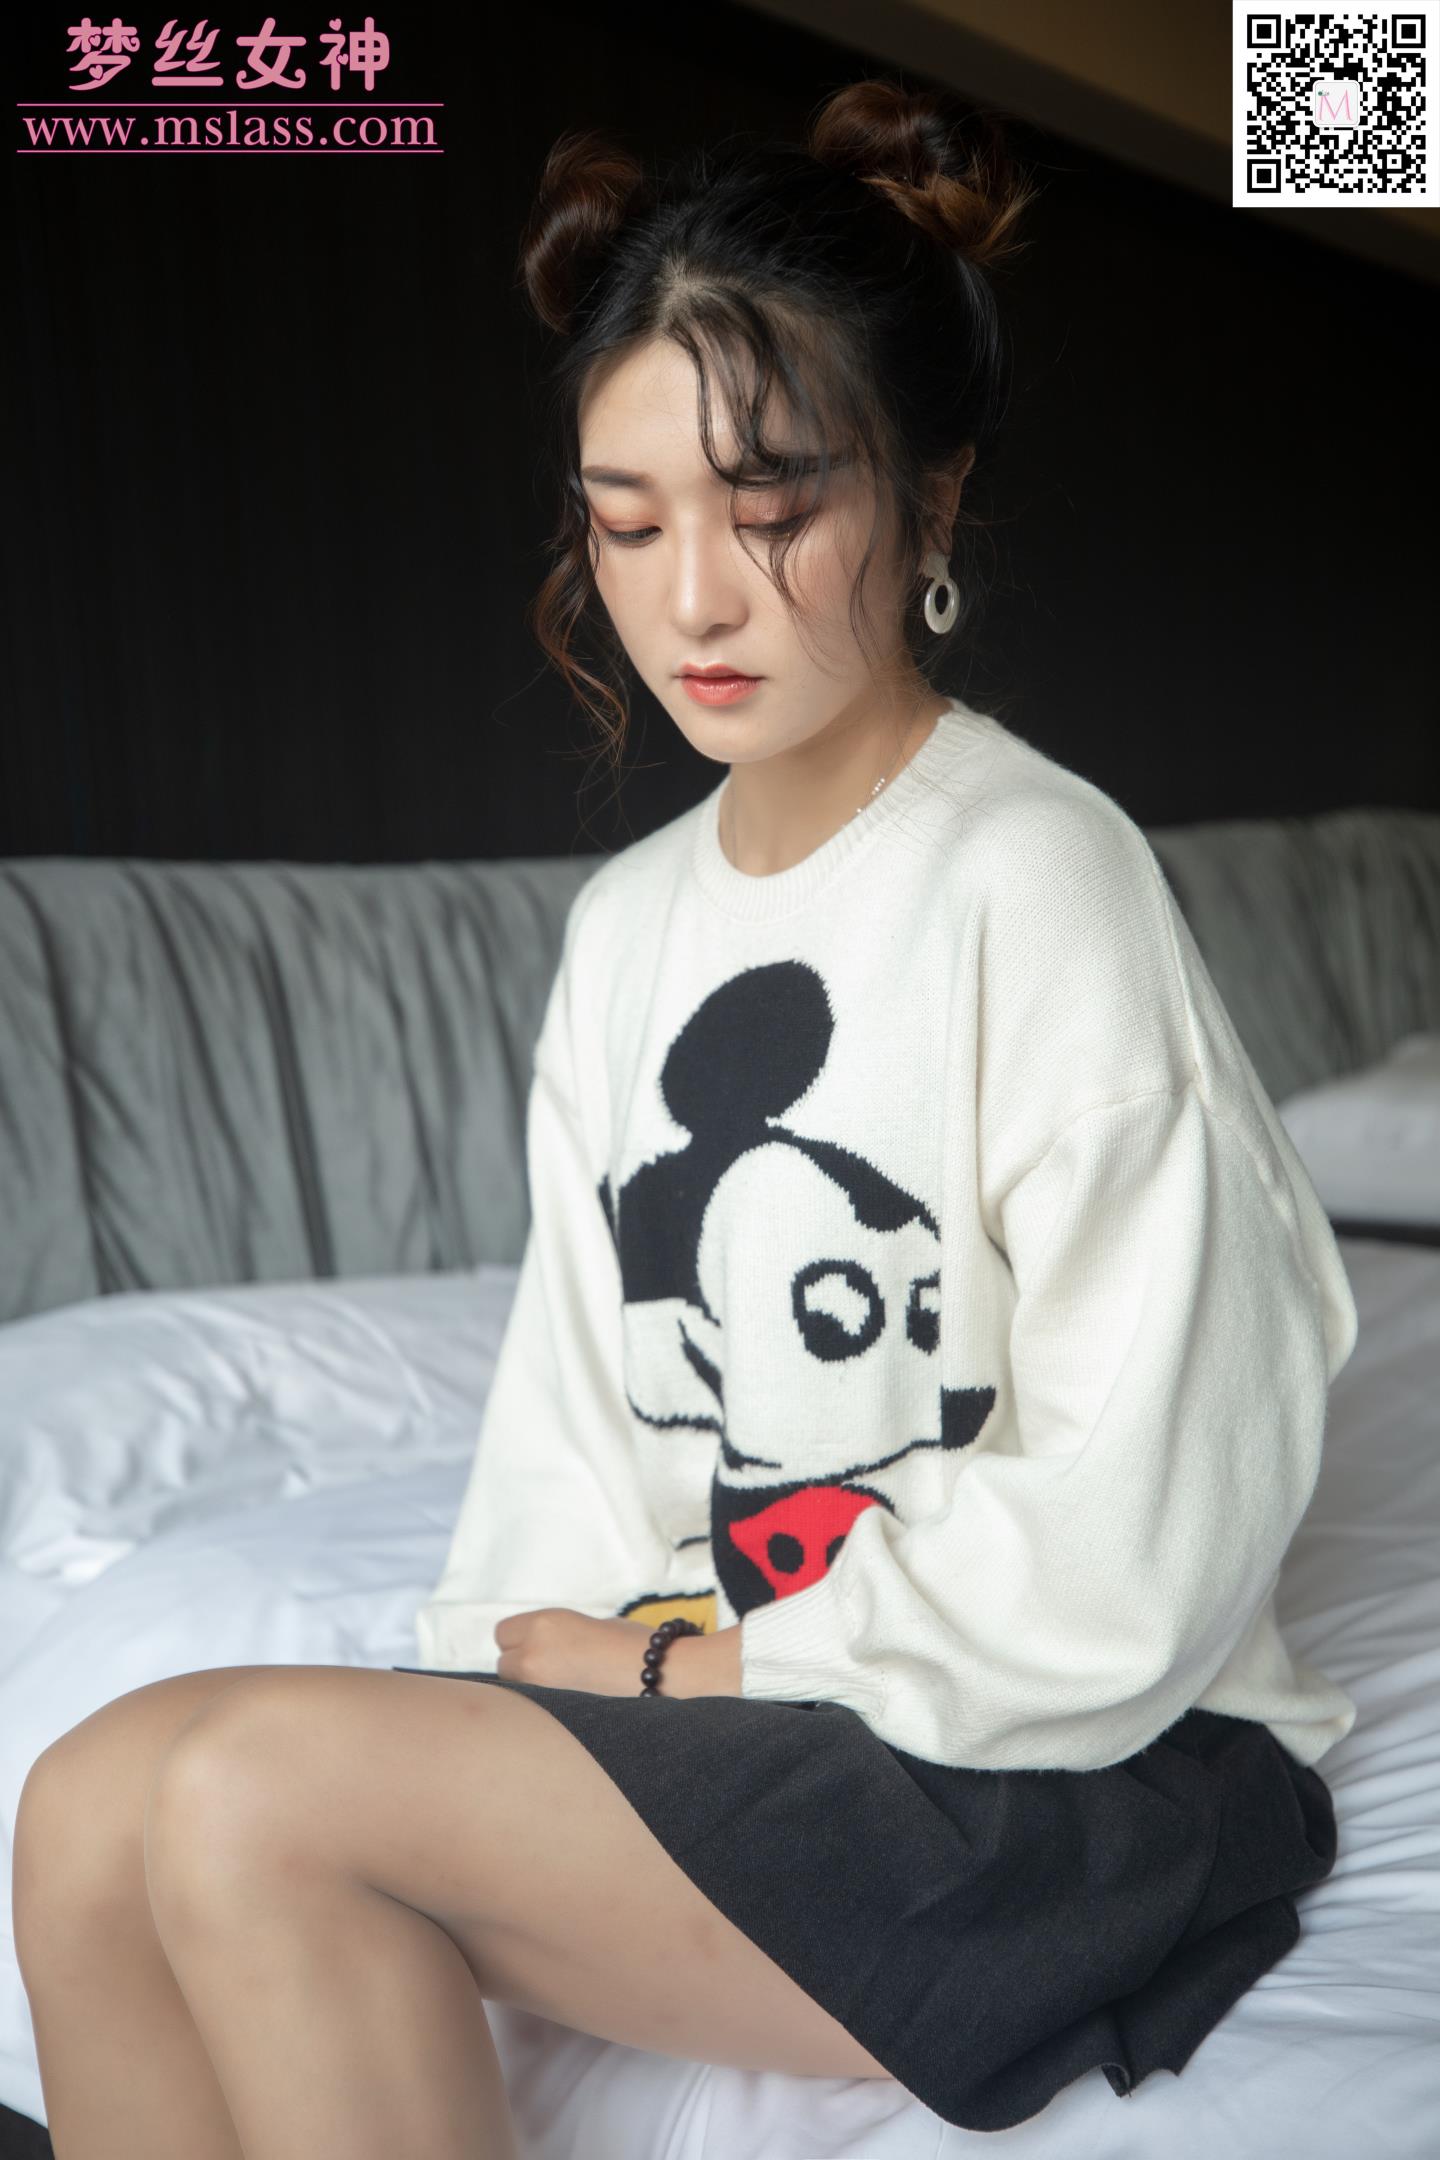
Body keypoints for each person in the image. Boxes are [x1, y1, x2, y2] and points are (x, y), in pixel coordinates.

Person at [12, 76, 1356, 2153]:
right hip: (744, 1696)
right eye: (628, 525)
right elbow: (576, 1423)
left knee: (248, 1800)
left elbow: (1158, 1503)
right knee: (86, 1797)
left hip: (1061, 1742)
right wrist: (546, 1664)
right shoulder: (628, 926)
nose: (693, 600)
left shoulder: (1038, 872)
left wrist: (673, 1674)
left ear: (929, 503)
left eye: (770, 507)